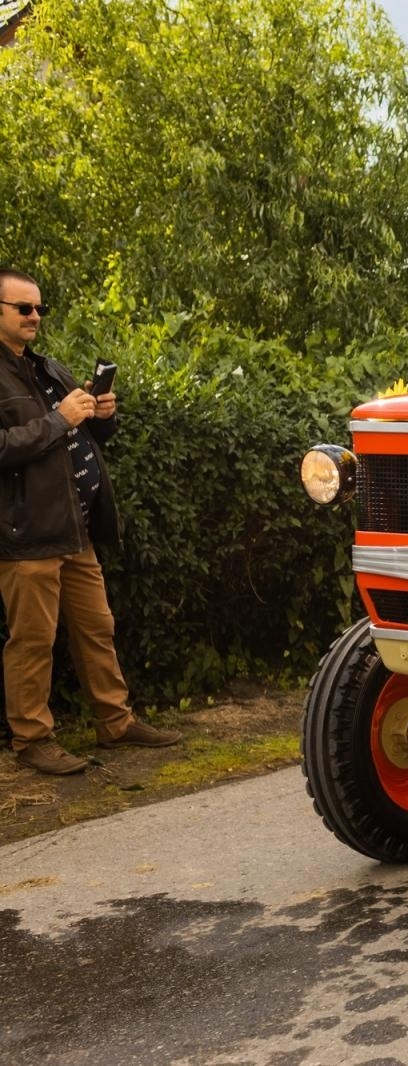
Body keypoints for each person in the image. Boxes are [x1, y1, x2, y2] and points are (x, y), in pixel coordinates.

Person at [0, 268, 180, 775]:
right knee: (33, 641)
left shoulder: (46, 367)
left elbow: (93, 437)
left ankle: (115, 722)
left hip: (75, 527)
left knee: (97, 628)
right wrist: (59, 419)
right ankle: (32, 739)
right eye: (23, 308)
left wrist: (101, 412)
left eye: (39, 308)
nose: (35, 316)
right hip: (26, 533)